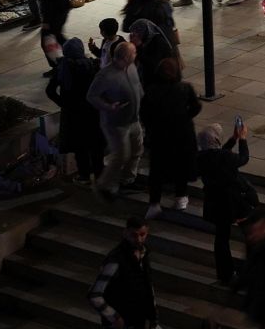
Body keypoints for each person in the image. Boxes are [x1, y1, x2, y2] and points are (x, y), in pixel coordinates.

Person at [87, 216, 159, 329]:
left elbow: (147, 285)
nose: (138, 239)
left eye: (142, 235)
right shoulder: (116, 260)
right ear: (125, 233)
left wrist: (152, 312)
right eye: (134, 235)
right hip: (121, 324)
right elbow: (94, 294)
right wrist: (115, 318)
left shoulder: (144, 255)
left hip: (138, 320)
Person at [141, 58, 200, 219]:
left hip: (161, 136)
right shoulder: (185, 89)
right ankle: (180, 197)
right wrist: (185, 118)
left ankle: (154, 203)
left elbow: (144, 114)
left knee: (157, 170)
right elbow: (196, 107)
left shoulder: (152, 91)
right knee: (181, 167)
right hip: (182, 136)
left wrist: (152, 126)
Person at [88, 41, 145, 201]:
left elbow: (137, 85)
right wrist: (108, 106)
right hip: (116, 123)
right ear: (126, 57)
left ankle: (128, 180)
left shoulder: (132, 67)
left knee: (136, 150)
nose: (136, 54)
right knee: (121, 155)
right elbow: (91, 96)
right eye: (134, 52)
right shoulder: (106, 75)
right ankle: (103, 186)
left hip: (134, 119)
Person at [196, 120, 251, 285]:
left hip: (214, 202)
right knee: (249, 231)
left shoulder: (200, 157)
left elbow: (219, 156)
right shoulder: (224, 157)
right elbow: (243, 159)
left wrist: (233, 139)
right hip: (233, 201)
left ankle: (225, 273)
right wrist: (242, 139)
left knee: (221, 238)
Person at [48, 38, 103, 184]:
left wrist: (63, 103)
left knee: (80, 146)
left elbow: (50, 91)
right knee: (95, 145)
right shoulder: (92, 66)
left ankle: (84, 175)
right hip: (92, 111)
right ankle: (100, 175)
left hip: (73, 113)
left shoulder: (63, 68)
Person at [33, 0, 72, 74]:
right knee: (58, 37)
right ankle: (71, 56)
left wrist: (46, 21)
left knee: (47, 42)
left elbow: (48, 3)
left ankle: (58, 66)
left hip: (53, 17)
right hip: (62, 13)